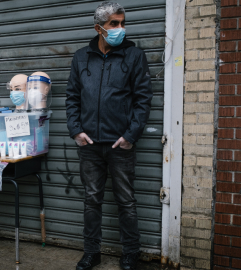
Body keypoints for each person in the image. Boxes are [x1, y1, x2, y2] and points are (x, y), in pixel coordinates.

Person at [65, 2, 153, 270]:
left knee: (126, 201)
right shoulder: (81, 58)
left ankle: (130, 253)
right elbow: (72, 98)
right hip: (90, 145)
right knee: (92, 200)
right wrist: (76, 130)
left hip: (120, 145)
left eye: (122, 23)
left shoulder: (134, 56)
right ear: (98, 28)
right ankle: (92, 252)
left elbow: (143, 99)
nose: (120, 29)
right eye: (114, 24)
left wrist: (131, 135)